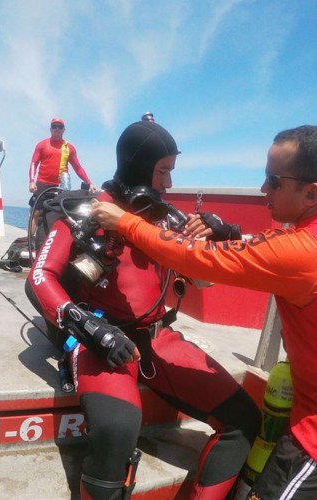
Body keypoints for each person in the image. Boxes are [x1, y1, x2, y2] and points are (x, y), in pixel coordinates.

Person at [25, 120, 260, 499]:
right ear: (138, 167)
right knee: (117, 430)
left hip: (159, 338)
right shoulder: (87, 211)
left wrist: (221, 238)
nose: (168, 184)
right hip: (104, 340)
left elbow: (205, 282)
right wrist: (86, 327)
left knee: (245, 419)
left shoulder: (166, 219)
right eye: (163, 171)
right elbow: (40, 276)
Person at [91, 125, 317, 499]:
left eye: (273, 181)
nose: (263, 190)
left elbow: (196, 261)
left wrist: (124, 222)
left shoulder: (303, 251)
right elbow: (272, 251)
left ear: (311, 191)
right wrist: (230, 233)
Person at [28, 118, 95, 234]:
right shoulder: (42, 145)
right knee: (36, 212)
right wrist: (32, 181)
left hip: (59, 186)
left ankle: (49, 239)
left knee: (57, 212)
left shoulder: (69, 148)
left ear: (64, 130)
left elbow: (78, 167)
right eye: (54, 126)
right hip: (42, 183)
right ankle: (29, 239)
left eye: (60, 127)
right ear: (50, 129)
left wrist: (89, 183)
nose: (57, 129)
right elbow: (34, 163)